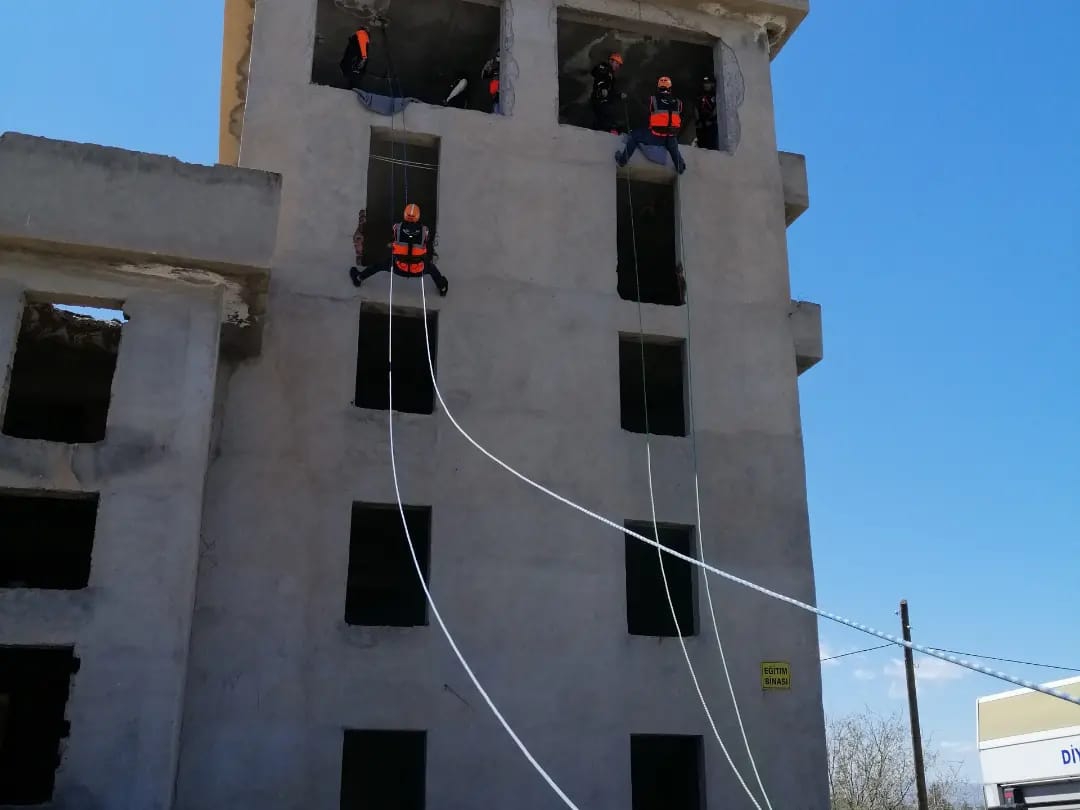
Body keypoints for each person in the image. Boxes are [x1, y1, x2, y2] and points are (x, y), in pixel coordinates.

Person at [349, 204, 449, 296]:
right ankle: (442, 288)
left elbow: (392, 241)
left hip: (398, 267)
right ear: (418, 216)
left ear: (405, 214)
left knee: (378, 266)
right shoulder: (425, 230)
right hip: (418, 270)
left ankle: (359, 278)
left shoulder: (397, 227)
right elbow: (426, 241)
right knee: (432, 269)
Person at [614, 76, 687, 174]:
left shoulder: (653, 100)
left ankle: (622, 161)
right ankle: (680, 167)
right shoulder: (679, 103)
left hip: (656, 136)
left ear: (658, 88)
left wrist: (628, 97)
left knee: (634, 136)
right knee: (673, 146)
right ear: (670, 88)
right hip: (671, 136)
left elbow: (641, 106)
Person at [591, 52, 625, 134]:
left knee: (606, 116)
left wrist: (619, 95)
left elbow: (611, 91)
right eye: (617, 63)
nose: (618, 66)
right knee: (605, 114)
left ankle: (608, 131)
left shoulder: (612, 77)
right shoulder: (604, 68)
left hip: (605, 100)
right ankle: (608, 130)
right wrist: (602, 88)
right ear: (611, 61)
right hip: (599, 99)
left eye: (619, 65)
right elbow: (599, 77)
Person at [694, 74, 719, 150]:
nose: (706, 85)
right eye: (705, 83)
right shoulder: (699, 94)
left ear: (712, 84)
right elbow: (696, 108)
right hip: (701, 123)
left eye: (708, 83)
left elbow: (717, 108)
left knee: (711, 145)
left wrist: (711, 119)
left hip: (711, 123)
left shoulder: (716, 95)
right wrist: (698, 120)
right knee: (701, 145)